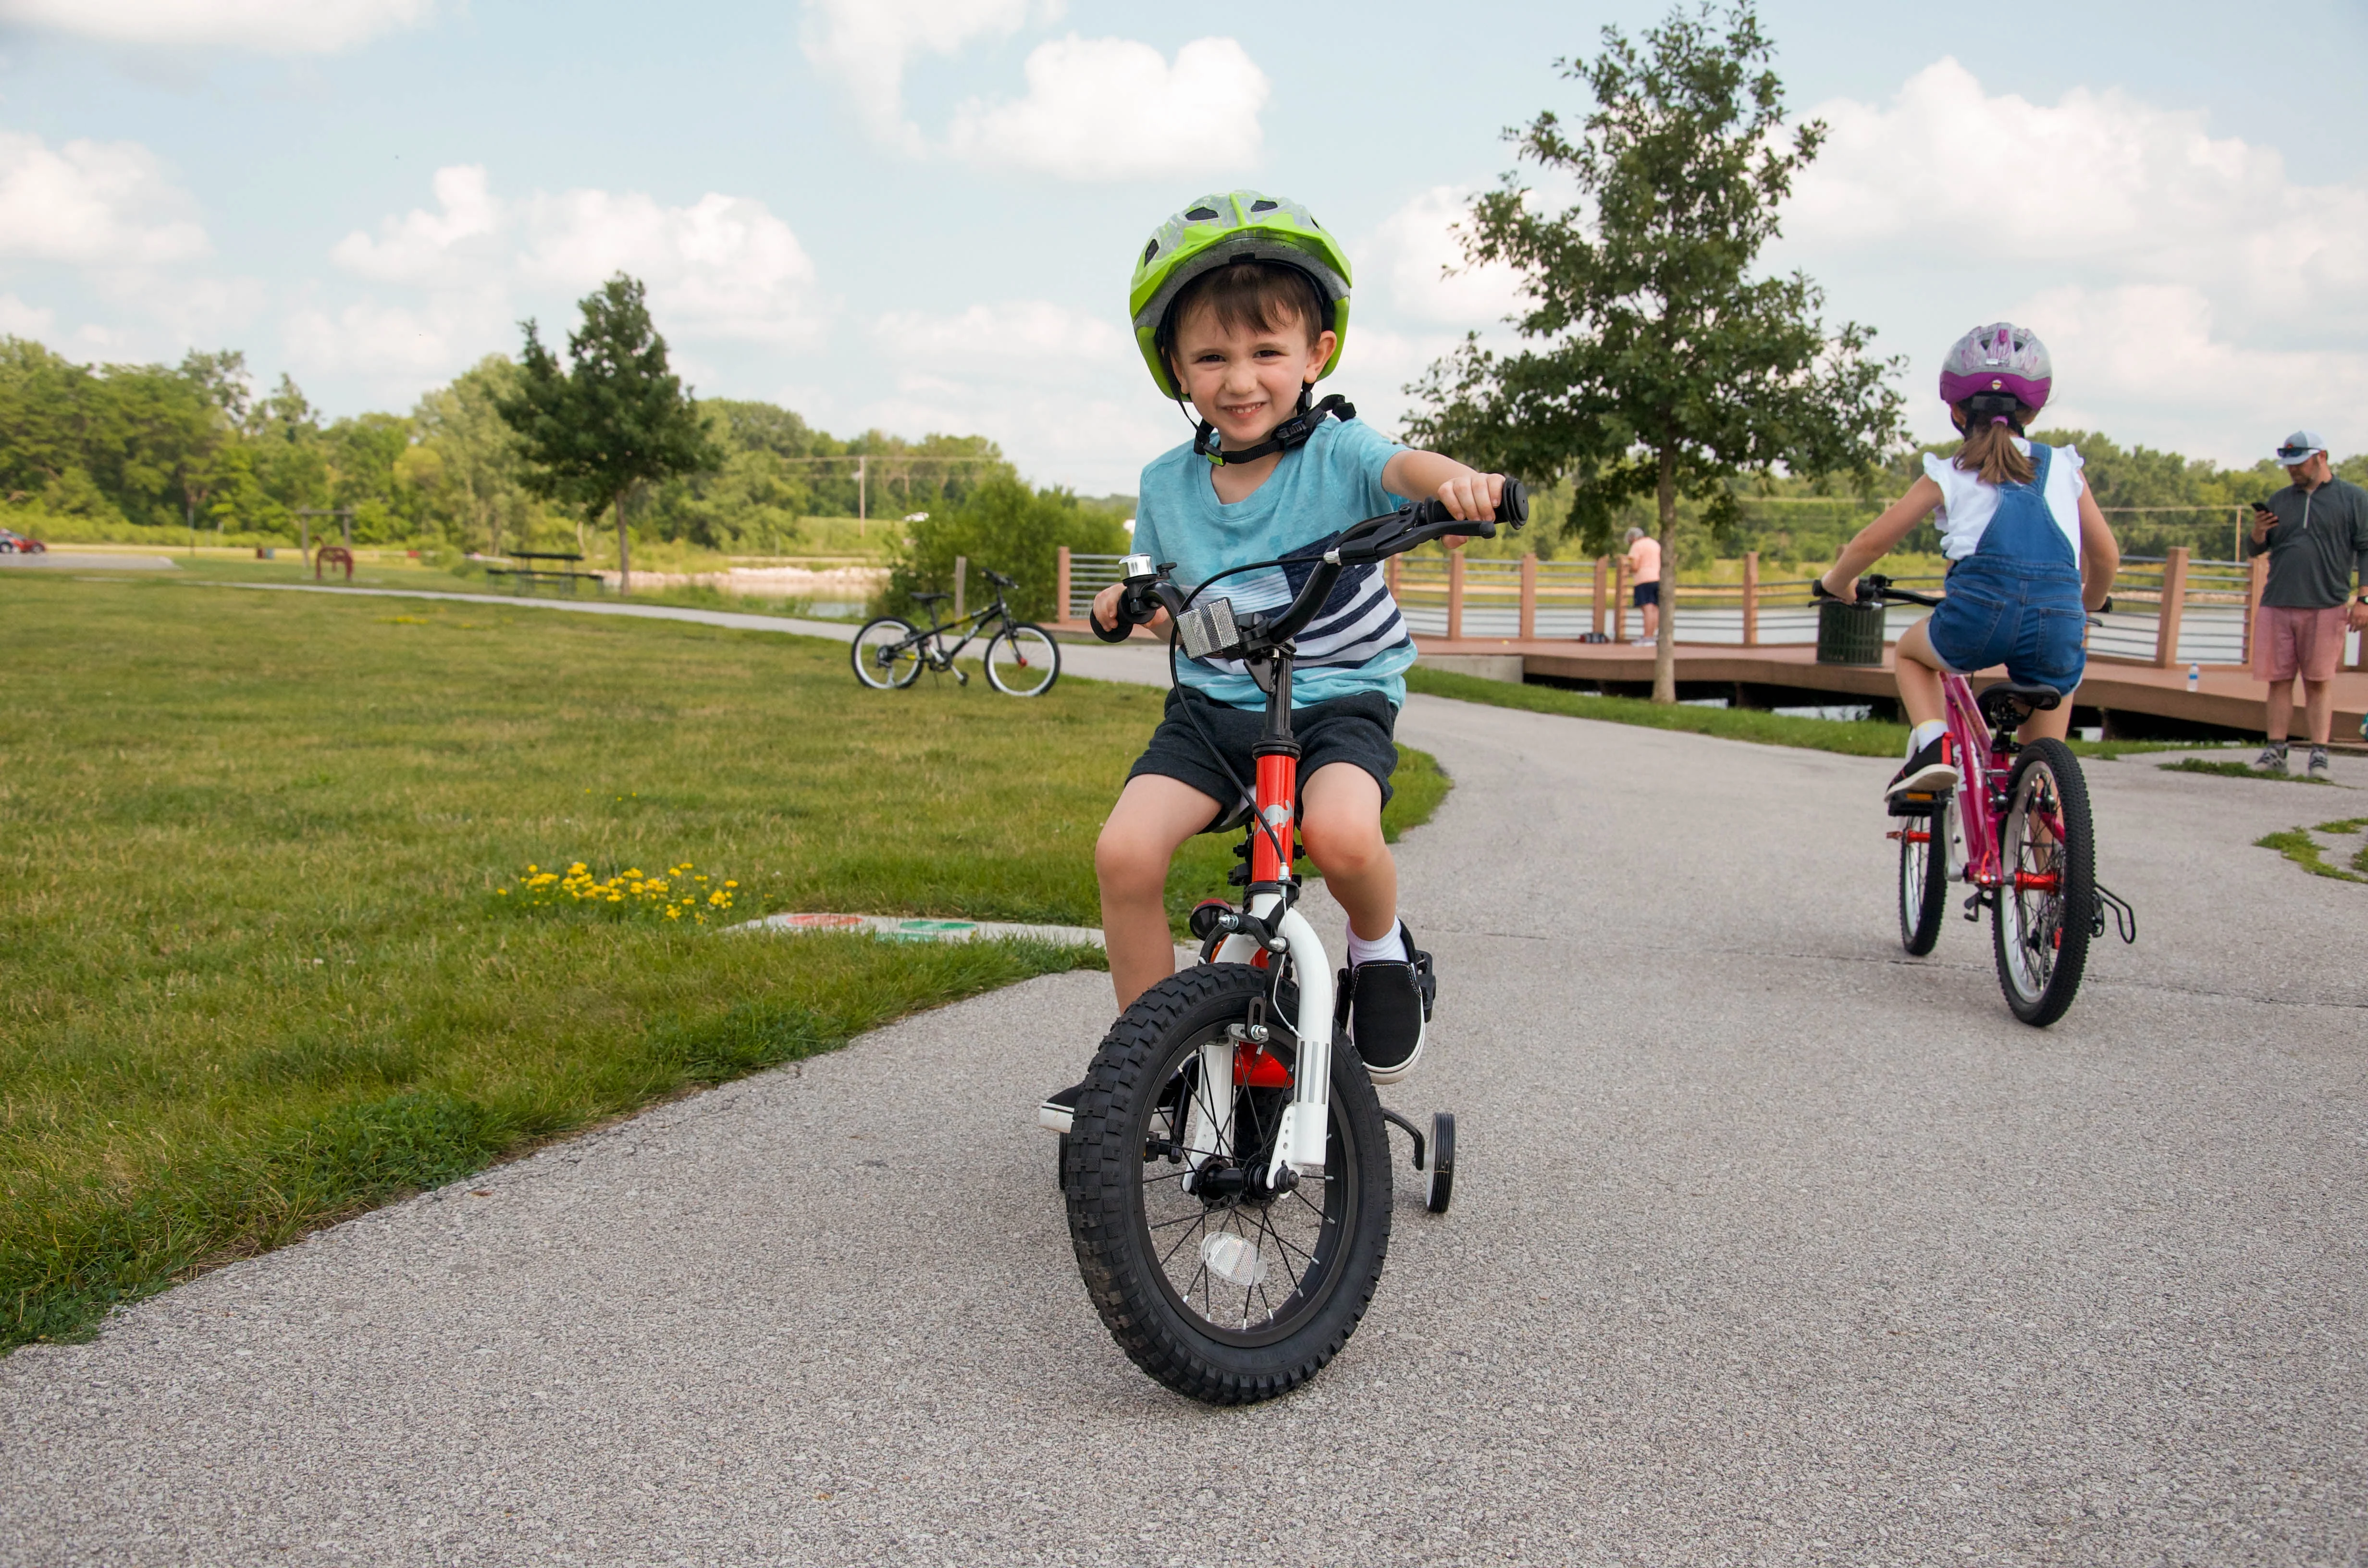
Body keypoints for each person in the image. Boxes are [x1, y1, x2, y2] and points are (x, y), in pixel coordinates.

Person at [1047, 190, 1502, 1127]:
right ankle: (1151, 1066)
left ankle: (1380, 950)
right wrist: (1124, 601)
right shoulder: (1165, 484)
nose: (1239, 378)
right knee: (1124, 854)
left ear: (1315, 355)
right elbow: (1156, 589)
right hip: (1214, 711)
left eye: (1265, 352)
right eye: (1211, 356)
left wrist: (1455, 485)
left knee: (1337, 840)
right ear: (1173, 366)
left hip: (1335, 705)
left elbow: (1405, 466)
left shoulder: (1336, 452)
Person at [1820, 322, 2119, 797]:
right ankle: (2047, 844)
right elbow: (2104, 556)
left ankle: (1933, 746)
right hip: (2057, 621)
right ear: (2032, 409)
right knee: (2043, 763)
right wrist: (2088, 603)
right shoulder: (2063, 467)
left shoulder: (1949, 472)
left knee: (1911, 654)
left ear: (1955, 408)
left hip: (1977, 620)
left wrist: (1837, 583)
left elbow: (1869, 545)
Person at [2244, 430, 2368, 779]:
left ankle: (2319, 754)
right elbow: (2256, 550)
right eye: (2288, 465)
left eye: (2299, 464)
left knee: (2319, 681)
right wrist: (2257, 532)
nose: (2293, 471)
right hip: (2278, 600)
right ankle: (2275, 750)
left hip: (2326, 603)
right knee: (2278, 680)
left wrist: (2364, 600)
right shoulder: (2281, 499)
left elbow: (2366, 549)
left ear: (2322, 457)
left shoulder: (2354, 499)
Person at [1622, 526, 1662, 640]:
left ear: (1633, 538)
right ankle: (1653, 635)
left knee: (1647, 609)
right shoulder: (1655, 544)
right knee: (1655, 609)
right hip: (1658, 578)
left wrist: (1627, 567)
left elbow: (1635, 566)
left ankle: (1647, 636)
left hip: (1644, 579)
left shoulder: (1637, 546)